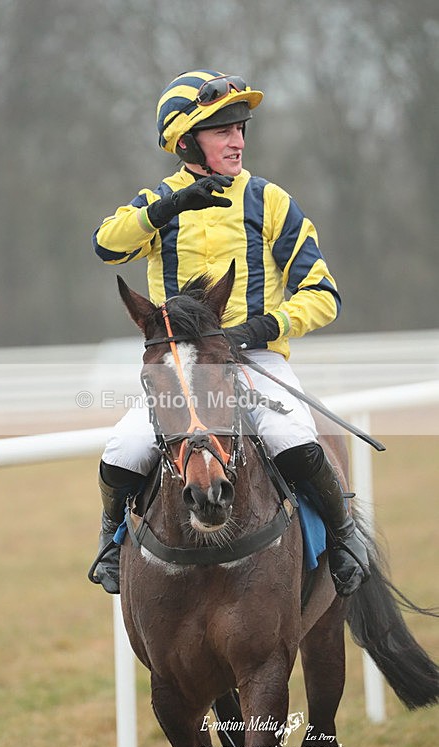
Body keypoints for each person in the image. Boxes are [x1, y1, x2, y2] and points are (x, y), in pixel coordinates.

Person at [91, 69, 369, 597]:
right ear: (186, 140)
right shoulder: (157, 204)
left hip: (256, 360)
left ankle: (344, 538)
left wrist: (262, 327)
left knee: (293, 437)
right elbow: (107, 244)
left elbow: (323, 294)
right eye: (222, 131)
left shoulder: (271, 202)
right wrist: (172, 205)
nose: (237, 140)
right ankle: (111, 540)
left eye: (240, 129)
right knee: (123, 448)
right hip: (184, 368)